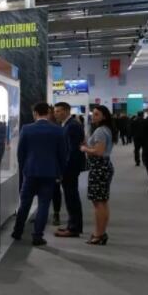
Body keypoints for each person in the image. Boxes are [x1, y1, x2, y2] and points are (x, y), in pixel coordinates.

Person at [11, 102, 66, 247]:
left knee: (24, 204)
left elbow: (20, 153)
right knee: (44, 205)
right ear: (48, 113)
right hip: (49, 173)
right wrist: (60, 172)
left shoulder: (26, 129)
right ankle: (37, 236)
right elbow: (62, 154)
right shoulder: (57, 130)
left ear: (35, 113)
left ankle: (17, 232)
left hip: (30, 172)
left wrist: (24, 169)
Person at [80, 105, 115, 245]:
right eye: (93, 114)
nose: (93, 116)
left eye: (96, 114)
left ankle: (98, 234)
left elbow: (99, 152)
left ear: (104, 116)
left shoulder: (100, 131)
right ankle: (101, 233)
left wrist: (84, 148)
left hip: (99, 168)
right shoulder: (105, 129)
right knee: (102, 202)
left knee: (98, 203)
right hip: (103, 167)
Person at [54, 102, 86, 238]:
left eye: (58, 111)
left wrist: (63, 168)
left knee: (71, 196)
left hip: (70, 167)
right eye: (55, 111)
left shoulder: (72, 125)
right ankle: (72, 225)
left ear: (67, 111)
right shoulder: (67, 124)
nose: (56, 114)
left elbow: (72, 150)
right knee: (70, 196)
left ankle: (74, 228)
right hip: (70, 166)